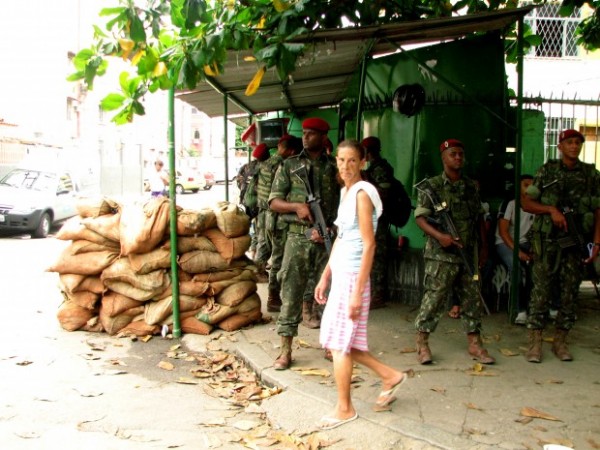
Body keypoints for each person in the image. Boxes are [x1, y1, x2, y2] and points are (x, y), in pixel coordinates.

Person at [314, 139, 407, 430]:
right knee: (341, 342)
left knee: (339, 345)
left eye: (351, 161)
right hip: (342, 275)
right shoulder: (347, 192)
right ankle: (391, 376)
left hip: (354, 277)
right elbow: (341, 238)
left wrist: (357, 292)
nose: (345, 167)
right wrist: (325, 275)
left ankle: (345, 408)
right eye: (341, 161)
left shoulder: (363, 194)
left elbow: (369, 245)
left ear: (362, 162)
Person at [521, 129, 600, 363]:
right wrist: (551, 210)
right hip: (548, 243)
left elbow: (598, 211)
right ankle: (535, 343)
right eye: (569, 142)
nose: (574, 146)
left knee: (569, 294)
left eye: (578, 142)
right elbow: (527, 202)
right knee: (541, 293)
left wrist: (596, 242)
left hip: (575, 244)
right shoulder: (547, 171)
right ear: (560, 146)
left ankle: (560, 342)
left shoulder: (590, 174)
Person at [414, 138, 495, 365]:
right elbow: (420, 218)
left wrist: (484, 247)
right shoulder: (432, 187)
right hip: (441, 255)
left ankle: (475, 344)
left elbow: (479, 218)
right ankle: (422, 343)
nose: (458, 158)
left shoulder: (471, 187)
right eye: (453, 154)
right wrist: (441, 236)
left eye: (461, 154)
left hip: (468, 252)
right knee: (435, 298)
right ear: (443, 158)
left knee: (472, 300)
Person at [268, 117, 340, 370]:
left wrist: (332, 228)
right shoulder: (290, 165)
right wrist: (296, 207)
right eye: (304, 133)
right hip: (297, 237)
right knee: (291, 292)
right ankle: (285, 350)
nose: (306, 137)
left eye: (311, 133)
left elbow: (347, 201)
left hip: (328, 238)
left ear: (324, 136)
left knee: (330, 292)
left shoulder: (334, 167)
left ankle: (331, 344)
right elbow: (273, 201)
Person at [256, 134, 302, 312]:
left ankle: (274, 296)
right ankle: (273, 297)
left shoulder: (267, 163)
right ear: (291, 150)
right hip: (279, 219)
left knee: (275, 257)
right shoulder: (282, 165)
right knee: (278, 260)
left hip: (267, 218)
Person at [494, 174, 535, 325]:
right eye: (525, 185)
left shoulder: (536, 205)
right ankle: (520, 310)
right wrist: (519, 253)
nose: (529, 188)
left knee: (537, 269)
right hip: (505, 244)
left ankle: (537, 308)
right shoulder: (509, 204)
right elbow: (503, 233)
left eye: (532, 185)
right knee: (517, 269)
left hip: (525, 243)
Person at [362, 136, 395, 309]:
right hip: (373, 218)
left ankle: (378, 296)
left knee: (378, 257)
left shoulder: (380, 168)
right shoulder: (373, 167)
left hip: (380, 220)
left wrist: (367, 184)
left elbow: (384, 193)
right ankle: (373, 294)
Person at [246, 143, 272, 281]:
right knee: (262, 239)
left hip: (254, 207)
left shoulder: (249, 167)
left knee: (258, 235)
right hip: (261, 208)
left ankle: (255, 262)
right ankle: (258, 270)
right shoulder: (266, 167)